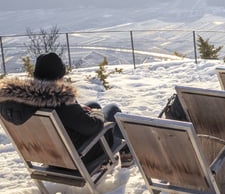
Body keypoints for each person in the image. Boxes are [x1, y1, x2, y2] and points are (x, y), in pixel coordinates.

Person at [0, 52, 133, 167]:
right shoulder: (60, 100)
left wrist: (81, 109)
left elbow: (66, 115)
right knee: (112, 110)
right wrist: (97, 114)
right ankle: (127, 153)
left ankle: (123, 152)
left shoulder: (21, 103)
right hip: (81, 155)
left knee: (93, 104)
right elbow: (93, 127)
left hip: (52, 155)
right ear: (58, 77)